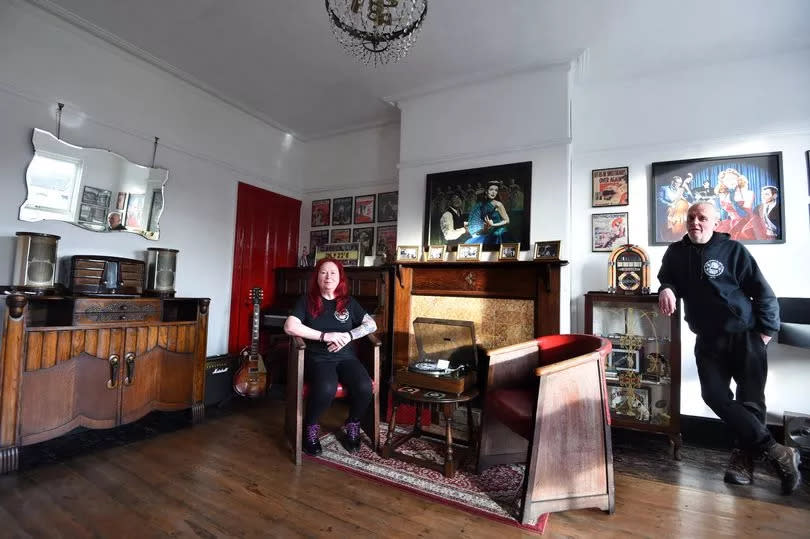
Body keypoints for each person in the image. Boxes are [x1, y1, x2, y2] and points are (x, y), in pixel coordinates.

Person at [657, 201, 800, 494]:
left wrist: (766, 332)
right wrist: (666, 288)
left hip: (745, 336)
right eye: (692, 217)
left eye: (703, 218)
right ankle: (778, 452)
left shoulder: (734, 251)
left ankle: (743, 460)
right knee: (714, 395)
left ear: (715, 222)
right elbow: (667, 278)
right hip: (708, 339)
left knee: (751, 402)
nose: (696, 222)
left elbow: (763, 293)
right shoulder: (675, 253)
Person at [283, 258, 378, 456]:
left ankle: (353, 422)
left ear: (340, 278)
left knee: (365, 386)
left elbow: (371, 325)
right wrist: (326, 336)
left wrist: (348, 336)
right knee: (326, 387)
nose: (328, 277)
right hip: (317, 358)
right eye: (323, 272)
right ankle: (310, 427)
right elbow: (290, 327)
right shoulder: (306, 301)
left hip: (347, 358)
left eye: (333, 273)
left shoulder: (349, 303)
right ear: (316, 277)